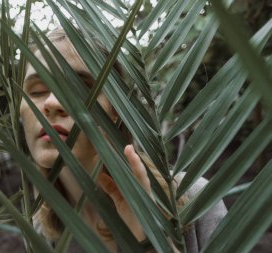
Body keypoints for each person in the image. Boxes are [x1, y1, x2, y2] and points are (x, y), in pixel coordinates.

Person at [19, 29, 227, 253]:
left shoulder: (194, 200)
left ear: (116, 110)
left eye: (77, 88)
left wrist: (152, 242)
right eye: (38, 91)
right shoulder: (41, 227)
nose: (52, 102)